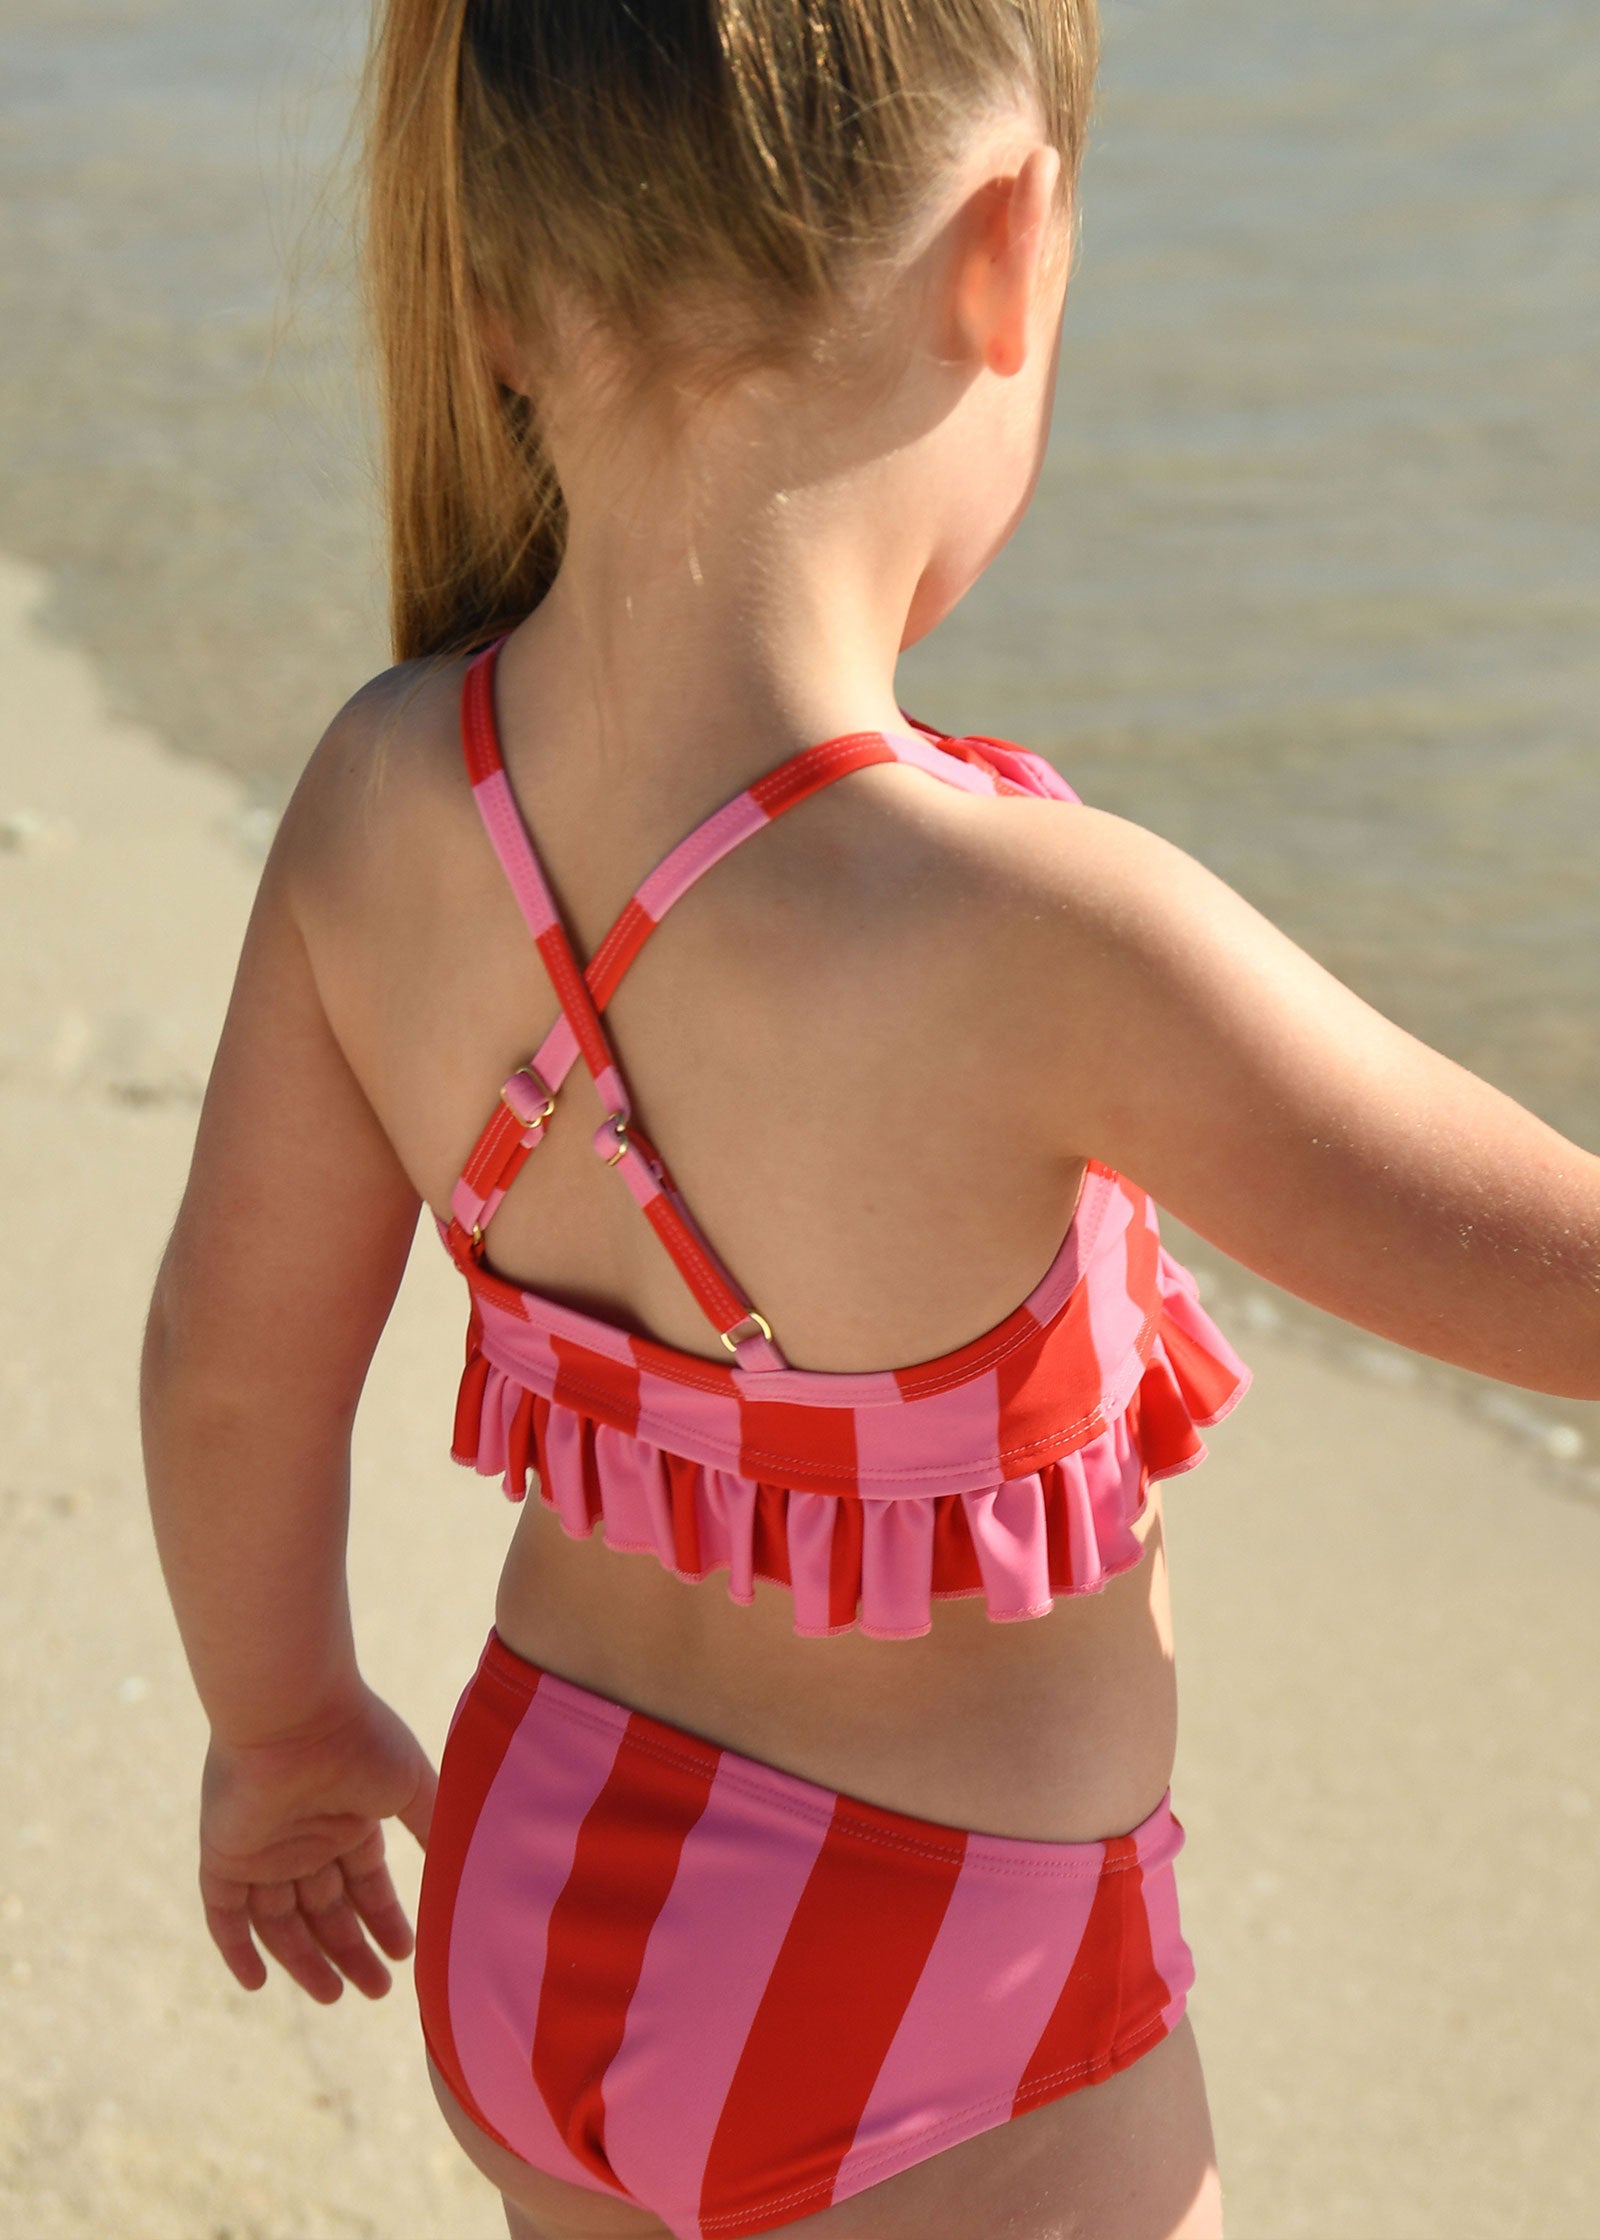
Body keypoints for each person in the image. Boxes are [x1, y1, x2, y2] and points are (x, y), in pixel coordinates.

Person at [139, 4, 1600, 2236]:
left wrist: (285, 1728)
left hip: (534, 1891)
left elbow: (232, 1373)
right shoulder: (1031, 931)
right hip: (940, 1993)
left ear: (497, 289)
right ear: (1003, 249)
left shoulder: (378, 792)